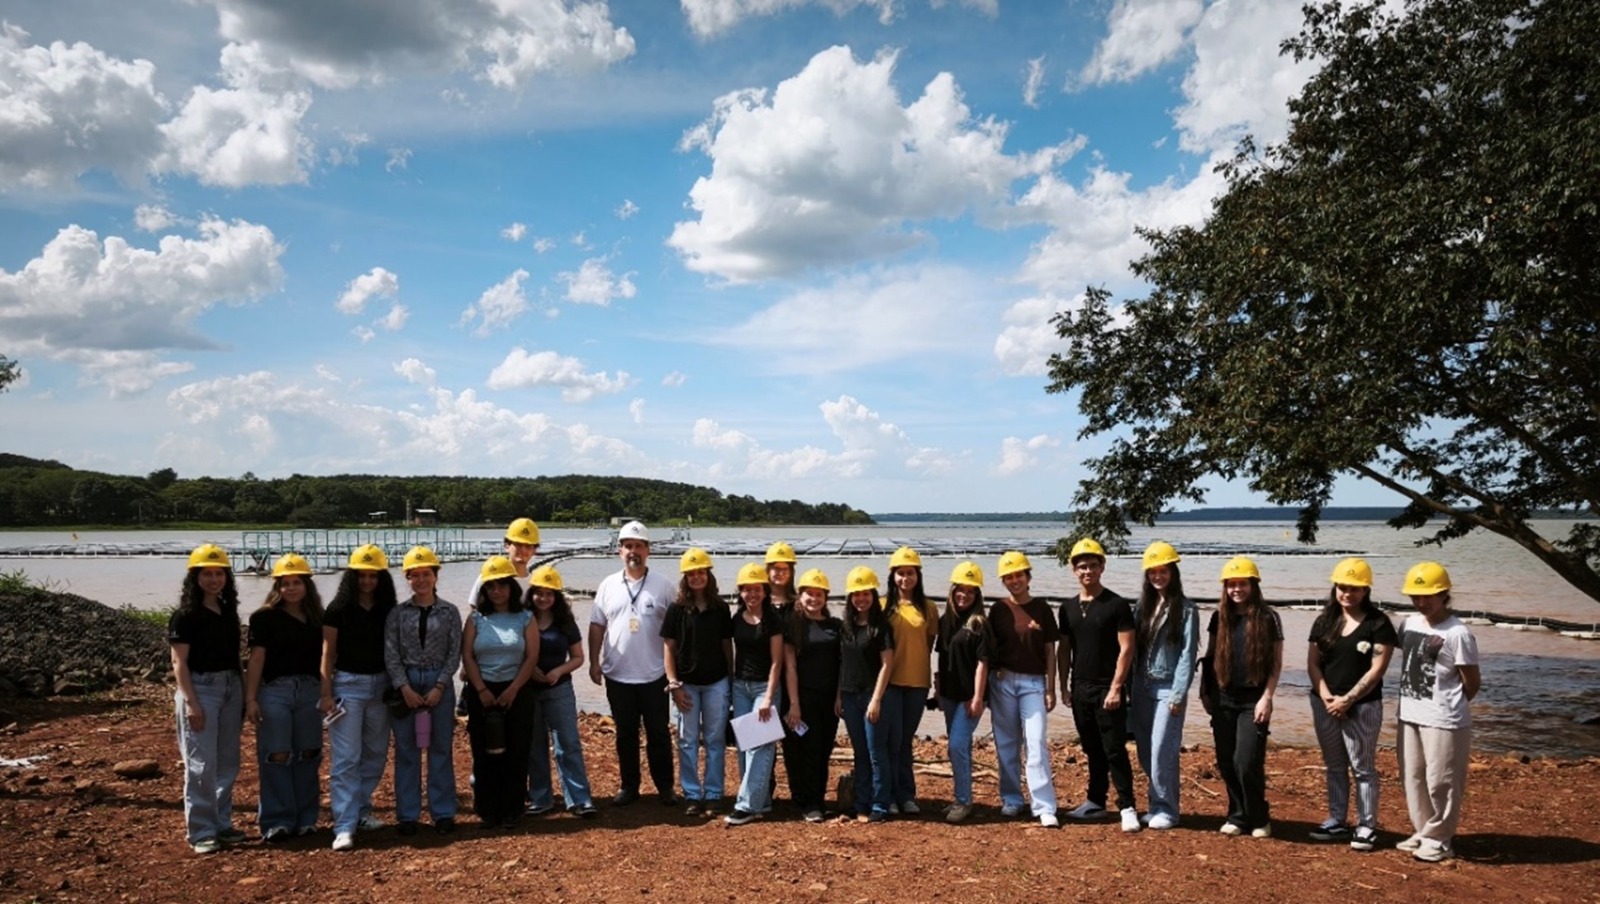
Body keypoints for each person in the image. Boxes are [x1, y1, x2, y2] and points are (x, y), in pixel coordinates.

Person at [1306, 557, 1397, 852]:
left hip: (1363, 706)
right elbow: (1313, 664)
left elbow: (1377, 669)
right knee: (1334, 765)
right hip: (1325, 704)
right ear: (1335, 588)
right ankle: (1336, 819)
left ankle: (1366, 825)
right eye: (1343, 587)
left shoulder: (1378, 623)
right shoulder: (1324, 621)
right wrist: (1327, 697)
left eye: (1355, 588)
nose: (1348, 593)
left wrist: (1348, 700)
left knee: (1363, 767)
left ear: (1366, 590)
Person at [1395, 562, 1480, 863]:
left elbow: (1472, 682)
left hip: (1444, 719)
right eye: (1415, 596)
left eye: (1427, 596)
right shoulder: (1408, 623)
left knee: (1441, 780)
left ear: (1444, 594)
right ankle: (1424, 831)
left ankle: (1441, 839)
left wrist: (1448, 704)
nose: (1420, 602)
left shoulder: (1458, 633)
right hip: (1409, 713)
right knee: (1413, 777)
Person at [588, 520, 678, 806]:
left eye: (639, 545)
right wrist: (593, 662)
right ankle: (629, 786)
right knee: (625, 735)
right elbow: (596, 626)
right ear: (619, 551)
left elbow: (675, 632)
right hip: (618, 674)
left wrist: (675, 671)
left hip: (655, 675)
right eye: (628, 546)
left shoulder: (664, 586)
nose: (633, 551)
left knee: (659, 734)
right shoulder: (607, 585)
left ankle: (665, 787)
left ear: (648, 550)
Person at [1057, 538, 1141, 833]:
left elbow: (1127, 649)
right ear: (1073, 570)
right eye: (1082, 566)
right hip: (1080, 687)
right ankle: (1095, 800)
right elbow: (1064, 649)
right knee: (1092, 748)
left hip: (1108, 687)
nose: (1087, 571)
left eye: (1093, 565)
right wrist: (1064, 687)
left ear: (1102, 567)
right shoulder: (1066, 609)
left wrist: (1117, 687)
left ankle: (1127, 806)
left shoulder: (1116, 605)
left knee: (1114, 748)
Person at [168, 543, 244, 854]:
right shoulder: (185, 616)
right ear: (195, 577)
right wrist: (191, 702)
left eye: (219, 574)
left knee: (228, 761)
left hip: (230, 686)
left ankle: (221, 823)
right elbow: (178, 662)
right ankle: (201, 831)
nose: (214, 580)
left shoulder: (227, 610)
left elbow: (234, 655)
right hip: (202, 688)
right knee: (201, 763)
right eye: (207, 574)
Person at [321, 544, 398, 852]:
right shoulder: (337, 609)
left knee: (376, 754)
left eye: (373, 576)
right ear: (351, 577)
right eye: (361, 576)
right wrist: (325, 693)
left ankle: (361, 809)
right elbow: (327, 654)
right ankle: (344, 824)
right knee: (346, 758)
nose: (367, 582)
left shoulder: (388, 609)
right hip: (347, 688)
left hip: (380, 687)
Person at [244, 553, 325, 841]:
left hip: (310, 691)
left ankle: (306, 818)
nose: (291, 588)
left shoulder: (318, 619)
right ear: (276, 587)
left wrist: (329, 693)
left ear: (307, 586)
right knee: (276, 755)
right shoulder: (263, 618)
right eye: (285, 583)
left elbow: (328, 660)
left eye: (297, 582)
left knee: (308, 754)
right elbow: (256, 660)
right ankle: (277, 820)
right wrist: (251, 699)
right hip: (275, 691)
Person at [1202, 556, 1284, 839]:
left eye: (1242, 584)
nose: (1237, 589)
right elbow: (1210, 657)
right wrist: (1205, 692)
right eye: (1231, 584)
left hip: (1254, 700)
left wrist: (1267, 697)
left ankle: (1259, 817)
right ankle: (1237, 815)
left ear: (1254, 585)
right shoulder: (1218, 617)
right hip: (1223, 698)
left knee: (1246, 761)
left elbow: (1275, 663)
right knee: (1226, 760)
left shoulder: (1268, 617)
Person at [384, 546, 463, 835]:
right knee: (407, 751)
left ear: (436, 576)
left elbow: (454, 653)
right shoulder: (397, 614)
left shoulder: (450, 612)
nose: (420, 581)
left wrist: (440, 685)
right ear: (407, 578)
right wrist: (402, 686)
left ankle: (442, 812)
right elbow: (391, 653)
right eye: (414, 576)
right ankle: (407, 815)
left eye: (426, 574)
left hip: (437, 683)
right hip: (406, 682)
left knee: (440, 748)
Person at [460, 556, 539, 829]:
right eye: (491, 586)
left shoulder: (525, 618)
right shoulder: (475, 619)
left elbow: (531, 657)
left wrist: (513, 690)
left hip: (517, 689)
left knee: (516, 751)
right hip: (482, 690)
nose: (497, 591)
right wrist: (480, 689)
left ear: (511, 587)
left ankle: (512, 809)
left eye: (502, 585)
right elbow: (467, 655)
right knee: (484, 752)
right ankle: (487, 809)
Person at [1129, 541, 1199, 831]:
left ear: (1173, 572)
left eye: (1163, 571)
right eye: (1152, 572)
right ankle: (1155, 804)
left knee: (1162, 749)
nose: (1158, 576)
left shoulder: (1186, 609)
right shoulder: (1142, 606)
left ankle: (1168, 810)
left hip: (1168, 686)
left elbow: (1187, 654)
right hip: (1141, 686)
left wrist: (1180, 693)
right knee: (1145, 749)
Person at [988, 551, 1061, 828]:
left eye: (1018, 575)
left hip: (1034, 683)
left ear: (1028, 576)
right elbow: (989, 649)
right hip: (1003, 681)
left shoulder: (1042, 608)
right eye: (1008, 576)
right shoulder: (998, 609)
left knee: (1035, 742)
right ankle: (1012, 799)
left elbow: (1050, 651)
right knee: (1007, 743)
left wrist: (1051, 687)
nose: (1014, 580)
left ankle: (1043, 805)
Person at [662, 548, 735, 817]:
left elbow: (727, 646)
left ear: (708, 575)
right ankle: (692, 794)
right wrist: (673, 683)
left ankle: (714, 793)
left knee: (715, 739)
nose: (696, 577)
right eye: (691, 574)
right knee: (687, 739)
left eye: (700, 572)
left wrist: (731, 678)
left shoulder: (721, 608)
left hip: (717, 682)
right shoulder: (676, 609)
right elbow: (668, 648)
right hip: (686, 683)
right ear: (685, 578)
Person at [525, 564, 598, 818]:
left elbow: (578, 657)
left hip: (560, 690)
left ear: (556, 596)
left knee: (567, 744)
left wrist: (558, 670)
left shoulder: (565, 622)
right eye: (539, 593)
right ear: (531, 593)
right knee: (534, 745)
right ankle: (540, 797)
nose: (544, 598)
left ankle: (579, 798)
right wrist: (530, 668)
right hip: (528, 690)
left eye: (549, 593)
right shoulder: (523, 619)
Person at [725, 562, 786, 826]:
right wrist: (729, 684)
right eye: (747, 590)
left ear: (765, 591)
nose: (752, 594)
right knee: (744, 746)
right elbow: (730, 652)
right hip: (741, 686)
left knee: (760, 746)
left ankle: (746, 805)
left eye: (757, 589)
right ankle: (760, 801)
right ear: (740, 592)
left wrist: (770, 697)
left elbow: (777, 662)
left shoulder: (774, 620)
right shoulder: (736, 619)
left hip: (765, 687)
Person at [880, 546, 939, 815]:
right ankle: (889, 795)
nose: (906, 578)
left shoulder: (928, 608)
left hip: (917, 682)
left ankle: (907, 795)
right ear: (893, 576)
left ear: (918, 575)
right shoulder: (882, 606)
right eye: (901, 573)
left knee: (906, 740)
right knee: (891, 740)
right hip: (889, 683)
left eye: (910, 573)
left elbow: (929, 643)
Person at [782, 568, 843, 823]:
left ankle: (815, 798)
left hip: (828, 700)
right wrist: (794, 704)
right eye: (809, 594)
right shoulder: (793, 625)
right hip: (801, 699)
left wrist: (839, 697)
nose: (814, 599)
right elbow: (791, 666)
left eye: (819, 594)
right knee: (803, 749)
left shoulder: (835, 626)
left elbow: (843, 664)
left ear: (825, 598)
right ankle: (809, 802)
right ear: (800, 595)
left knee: (823, 750)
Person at [837, 566, 895, 823]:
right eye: (856, 595)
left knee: (875, 752)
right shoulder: (846, 627)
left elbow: (887, 664)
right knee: (859, 752)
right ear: (850, 598)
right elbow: (842, 663)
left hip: (872, 697)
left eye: (866, 594)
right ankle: (861, 803)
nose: (861, 599)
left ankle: (880, 805)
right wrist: (838, 696)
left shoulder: (881, 628)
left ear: (873, 595)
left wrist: (876, 699)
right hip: (849, 696)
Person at [935, 561, 991, 824]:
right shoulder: (945, 620)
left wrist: (978, 697)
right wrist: (937, 688)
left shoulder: (979, 624)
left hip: (970, 697)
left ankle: (964, 801)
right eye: (960, 590)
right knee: (961, 747)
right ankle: (961, 797)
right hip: (948, 694)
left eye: (970, 591)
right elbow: (942, 655)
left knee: (957, 745)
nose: (964, 595)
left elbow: (983, 663)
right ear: (952, 590)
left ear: (977, 595)